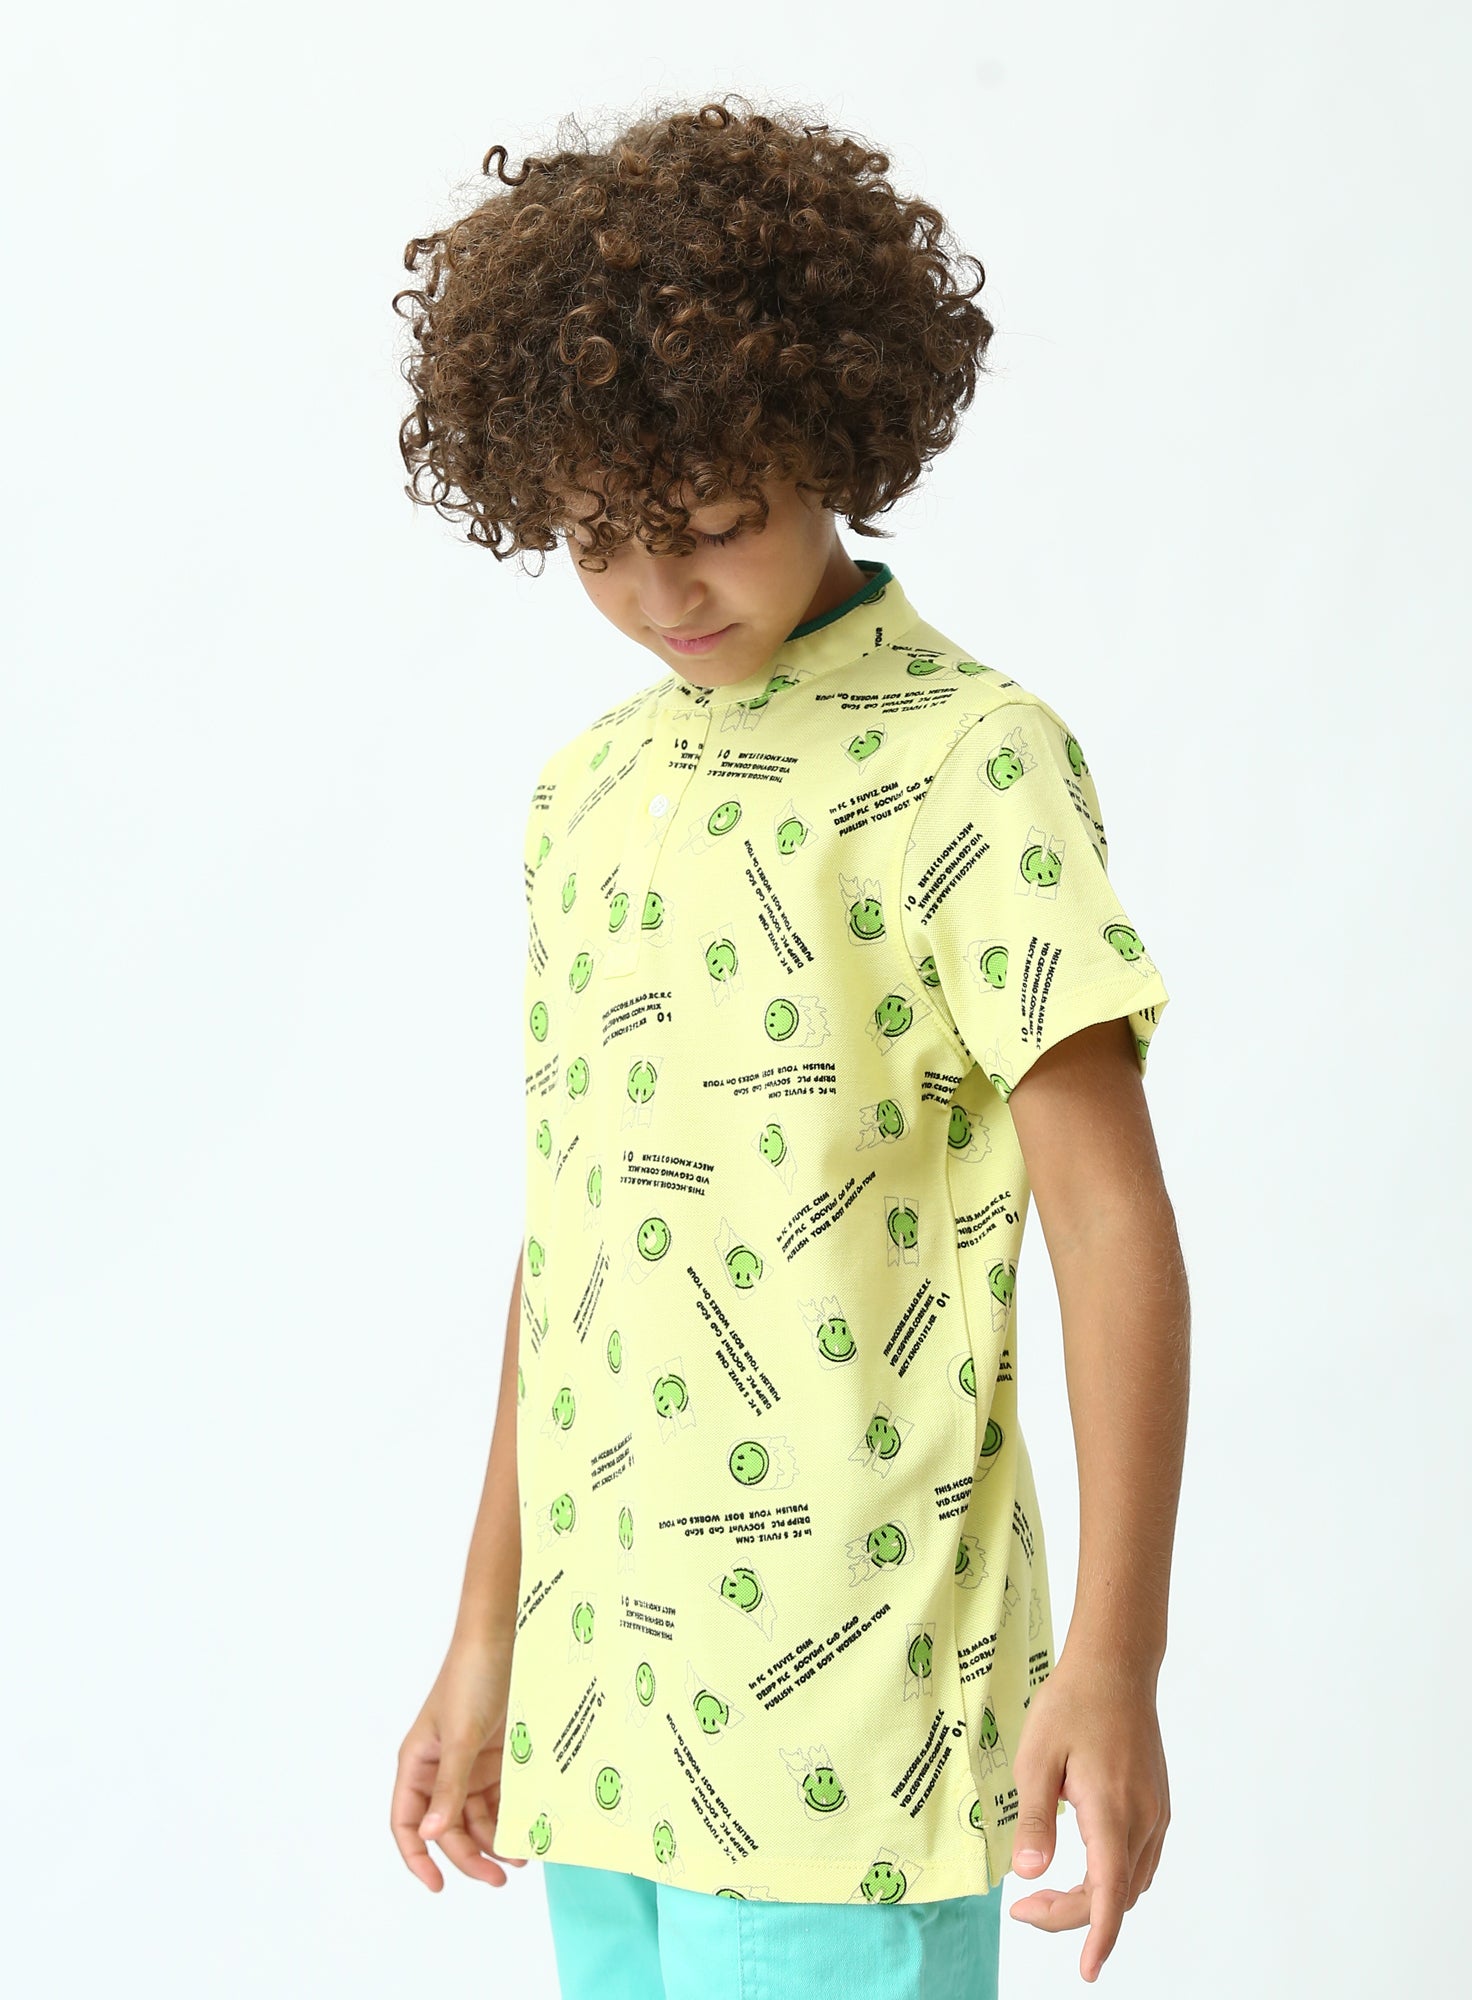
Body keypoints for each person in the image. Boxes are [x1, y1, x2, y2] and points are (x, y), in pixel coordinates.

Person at [387, 95, 1190, 1999]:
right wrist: (489, 1634)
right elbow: (576, 1242)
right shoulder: (586, 796)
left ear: (832, 438)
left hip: (852, 1724)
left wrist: (1116, 1654)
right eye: (599, 544)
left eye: (715, 529)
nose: (662, 595)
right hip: (607, 1712)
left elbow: (1111, 1223)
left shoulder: (969, 764)